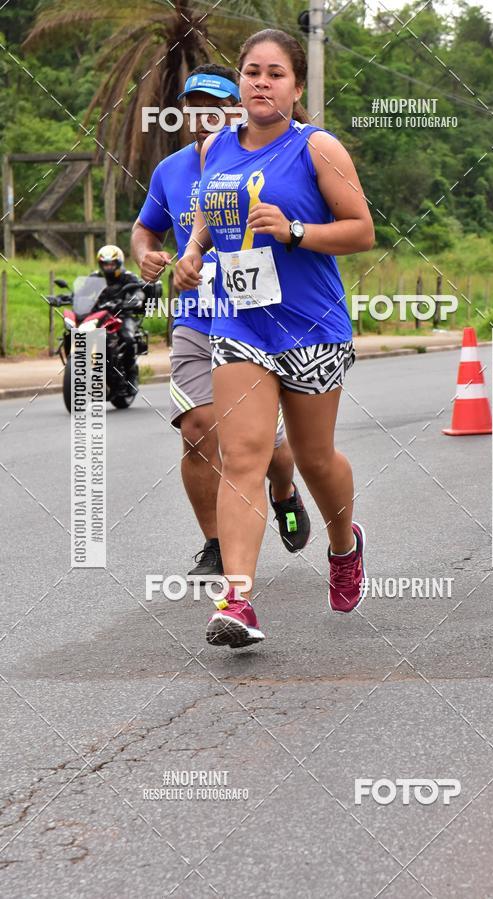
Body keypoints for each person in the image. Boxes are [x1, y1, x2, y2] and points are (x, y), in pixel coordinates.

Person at [174, 29, 375, 648]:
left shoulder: (318, 147)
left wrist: (293, 231)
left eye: (276, 73)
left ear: (295, 86)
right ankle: (237, 602)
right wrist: (192, 253)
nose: (261, 82)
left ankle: (345, 544)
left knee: (314, 459)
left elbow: (361, 230)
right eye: (252, 71)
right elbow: (212, 210)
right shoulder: (215, 148)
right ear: (240, 82)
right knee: (245, 456)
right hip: (239, 323)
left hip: (311, 325)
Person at [131, 64, 310, 581]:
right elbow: (147, 230)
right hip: (195, 314)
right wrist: (147, 254)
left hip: (258, 315)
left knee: (264, 445)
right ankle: (215, 543)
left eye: (217, 105)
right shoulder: (171, 170)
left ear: (238, 107)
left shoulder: (272, 159)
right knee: (197, 429)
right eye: (195, 107)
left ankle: (284, 491)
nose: (205, 116)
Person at [94, 244, 146, 392]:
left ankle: (130, 374)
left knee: (128, 339)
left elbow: (138, 291)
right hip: (100, 316)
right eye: (105, 264)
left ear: (118, 263)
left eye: (111, 263)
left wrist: (134, 300)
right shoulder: (95, 277)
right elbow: (83, 292)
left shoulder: (128, 277)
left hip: (122, 316)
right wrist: (66, 298)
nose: (108, 267)